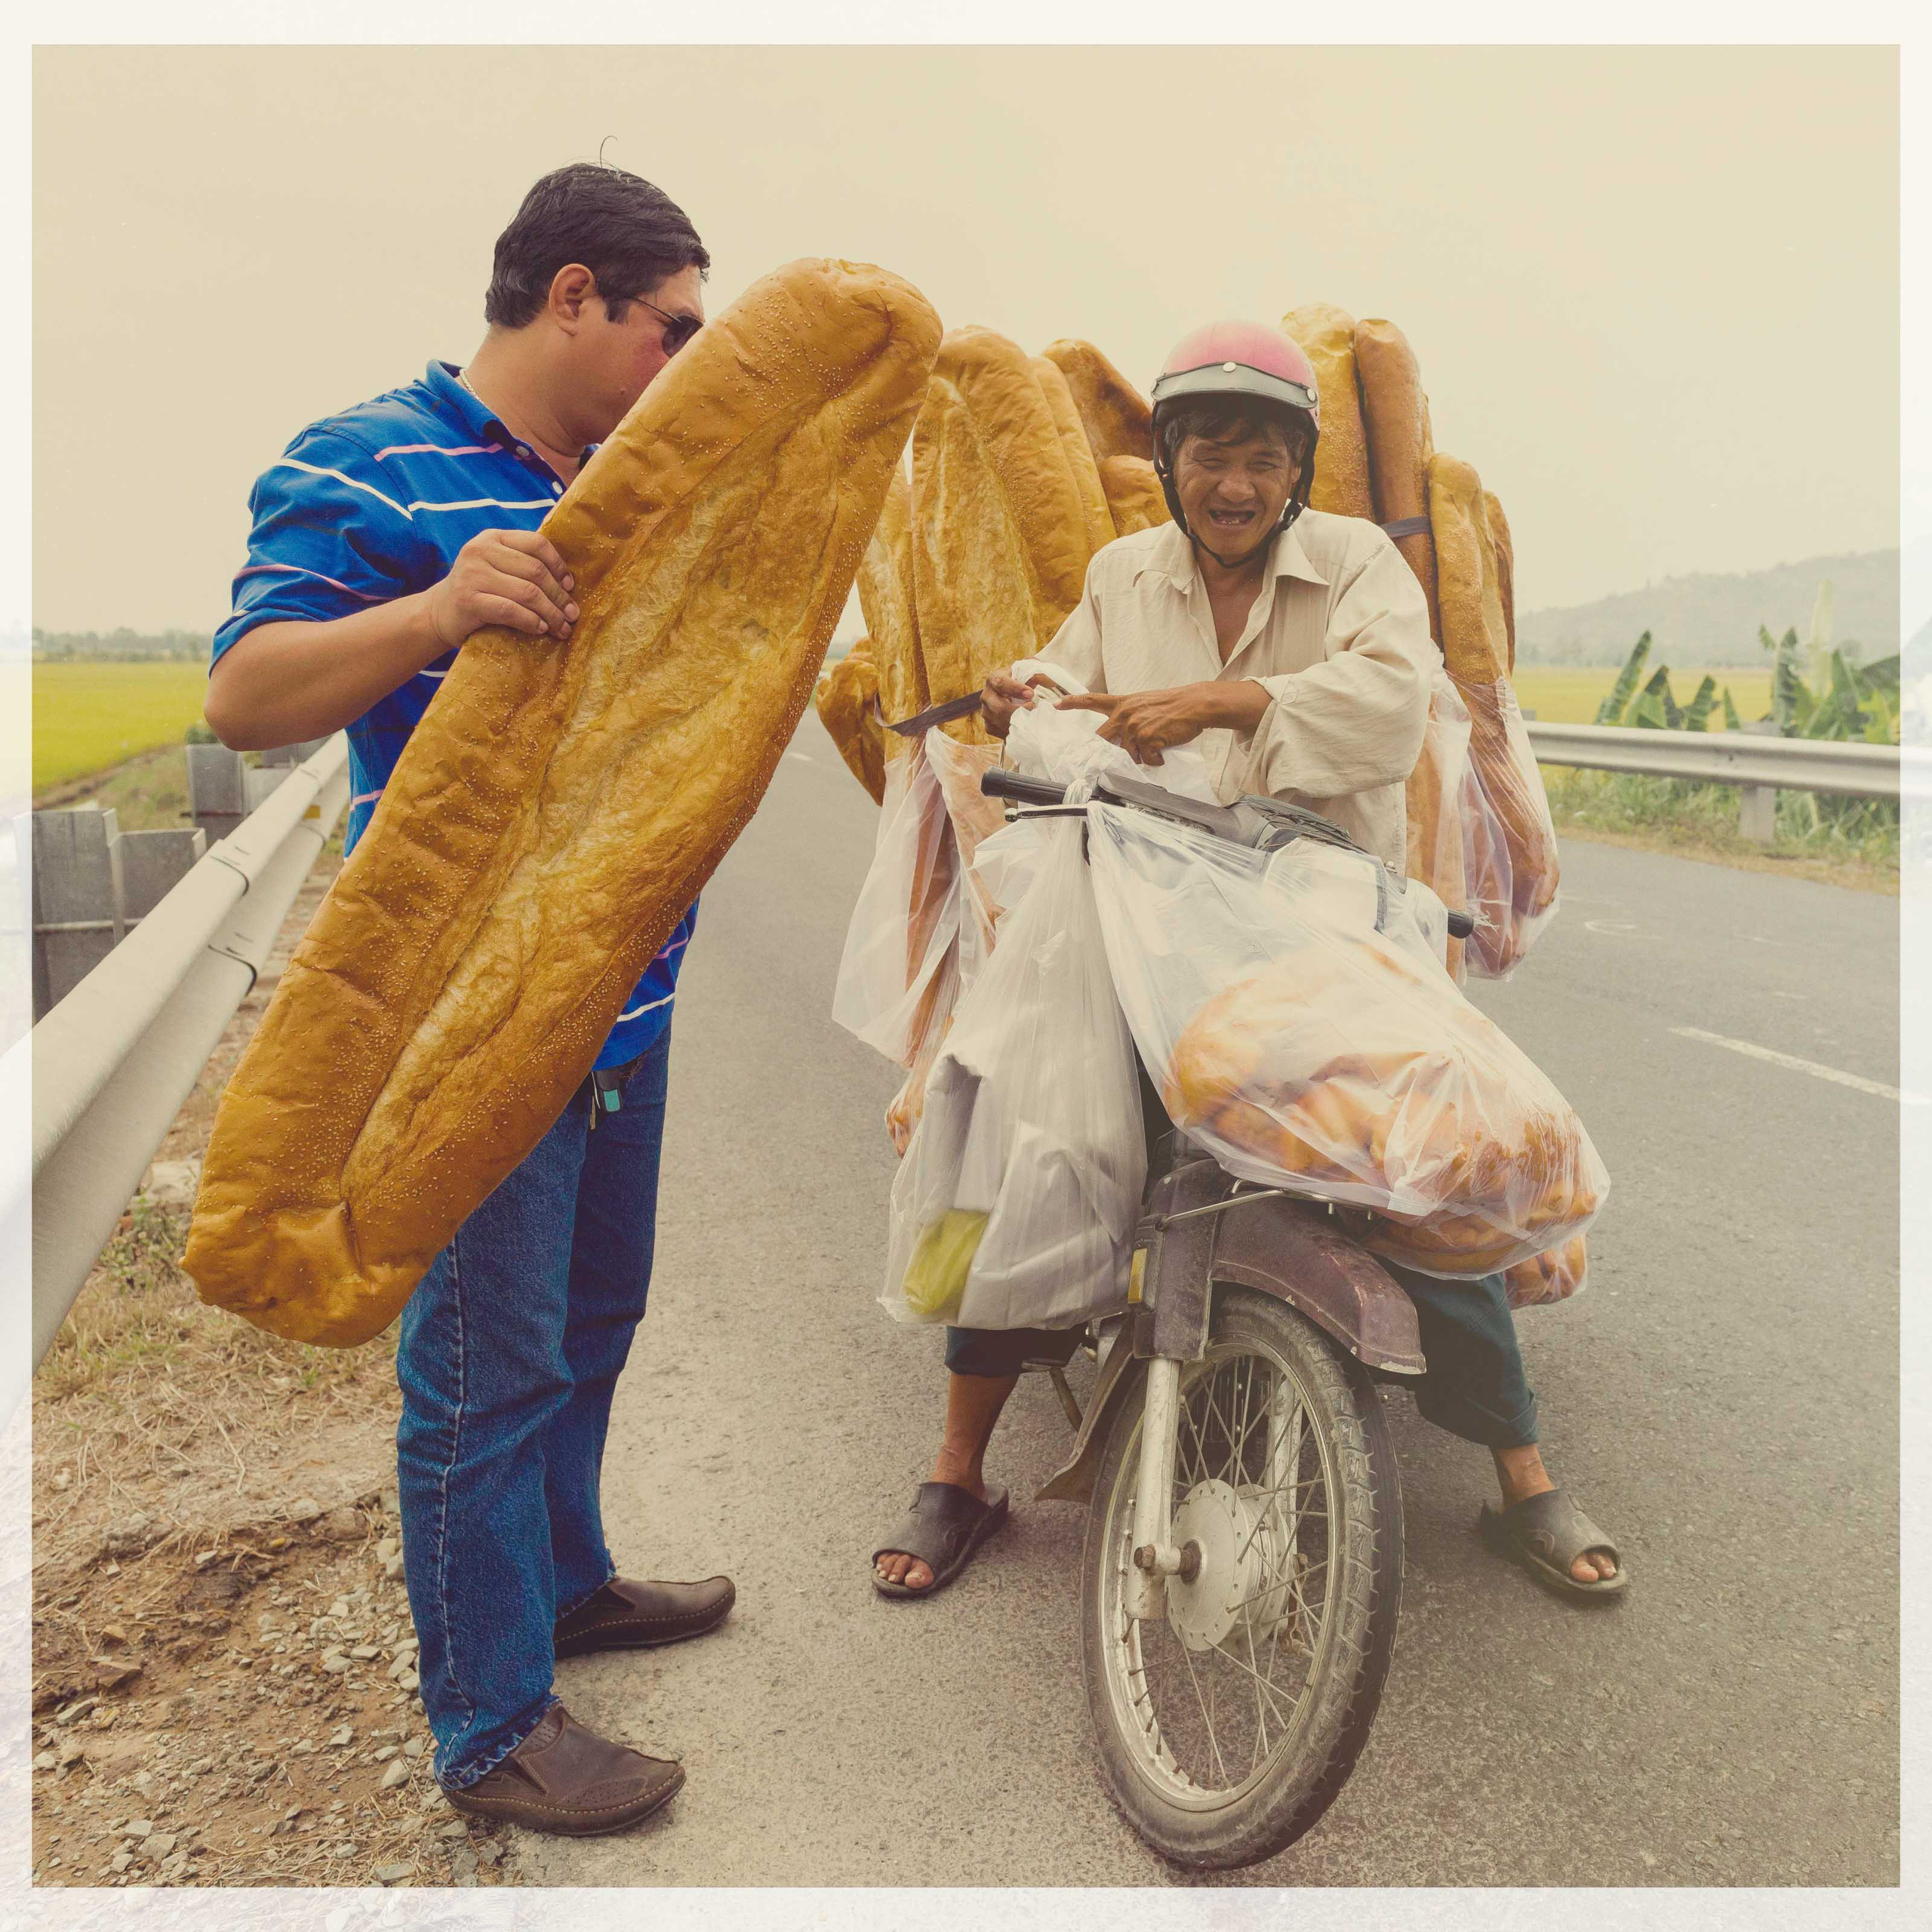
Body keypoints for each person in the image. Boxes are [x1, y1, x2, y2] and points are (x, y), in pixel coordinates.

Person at [872, 320, 1625, 1607]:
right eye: (1210, 451)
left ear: (1297, 472)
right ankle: (957, 1471)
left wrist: (1232, 703)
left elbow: (1397, 706)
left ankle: (1525, 1480)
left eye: (1263, 459)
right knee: (1028, 1134)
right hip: (1154, 916)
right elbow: (1070, 678)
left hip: (1324, 922)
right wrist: (1030, 688)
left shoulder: (1358, 569)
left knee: (1419, 1162)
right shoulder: (1124, 574)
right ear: (1169, 459)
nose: (1235, 482)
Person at [206, 162, 736, 1838]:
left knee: (589, 1330)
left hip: (624, 1004)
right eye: (674, 328)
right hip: (461, 1022)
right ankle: (492, 1722)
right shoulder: (360, 457)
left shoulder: (633, 481)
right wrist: (441, 604)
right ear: (573, 295)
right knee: (482, 1372)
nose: (689, 362)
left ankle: (566, 1581)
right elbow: (243, 695)